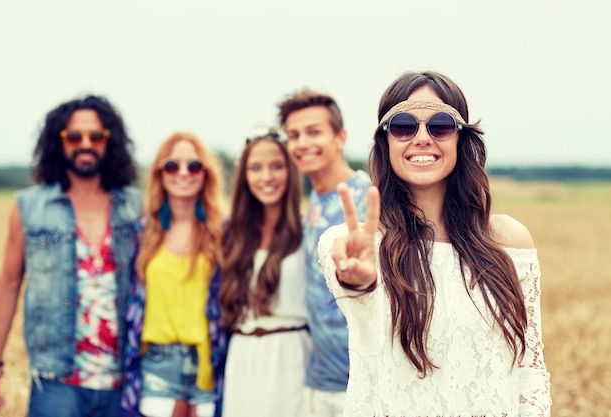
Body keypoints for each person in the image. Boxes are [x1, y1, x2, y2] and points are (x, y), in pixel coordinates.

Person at [319, 71, 552, 416]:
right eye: (403, 126)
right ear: (385, 141)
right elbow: (362, 307)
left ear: (461, 138)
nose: (422, 138)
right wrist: (359, 281)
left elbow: (529, 369)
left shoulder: (508, 241)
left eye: (440, 125)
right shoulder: (350, 244)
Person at [0, 95, 142, 417]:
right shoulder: (29, 208)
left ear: (110, 142)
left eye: (96, 136)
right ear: (58, 143)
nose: (85, 144)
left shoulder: (134, 206)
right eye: (74, 136)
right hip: (57, 383)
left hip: (125, 381)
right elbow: (8, 284)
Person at [277, 89, 371, 416]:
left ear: (340, 137)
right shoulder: (314, 202)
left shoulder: (369, 198)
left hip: (363, 381)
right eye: (294, 135)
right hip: (320, 379)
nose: (303, 143)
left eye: (314, 132)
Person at [134, 131, 227, 417]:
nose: (183, 173)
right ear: (159, 174)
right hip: (158, 360)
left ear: (206, 173)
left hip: (209, 361)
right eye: (173, 166)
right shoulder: (142, 232)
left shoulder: (223, 232)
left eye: (194, 165)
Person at [219, 126, 311, 417]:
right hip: (242, 356)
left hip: (290, 356)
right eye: (256, 168)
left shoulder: (307, 230)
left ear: (291, 171)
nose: (267, 177)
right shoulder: (232, 234)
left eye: (276, 166)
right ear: (244, 176)